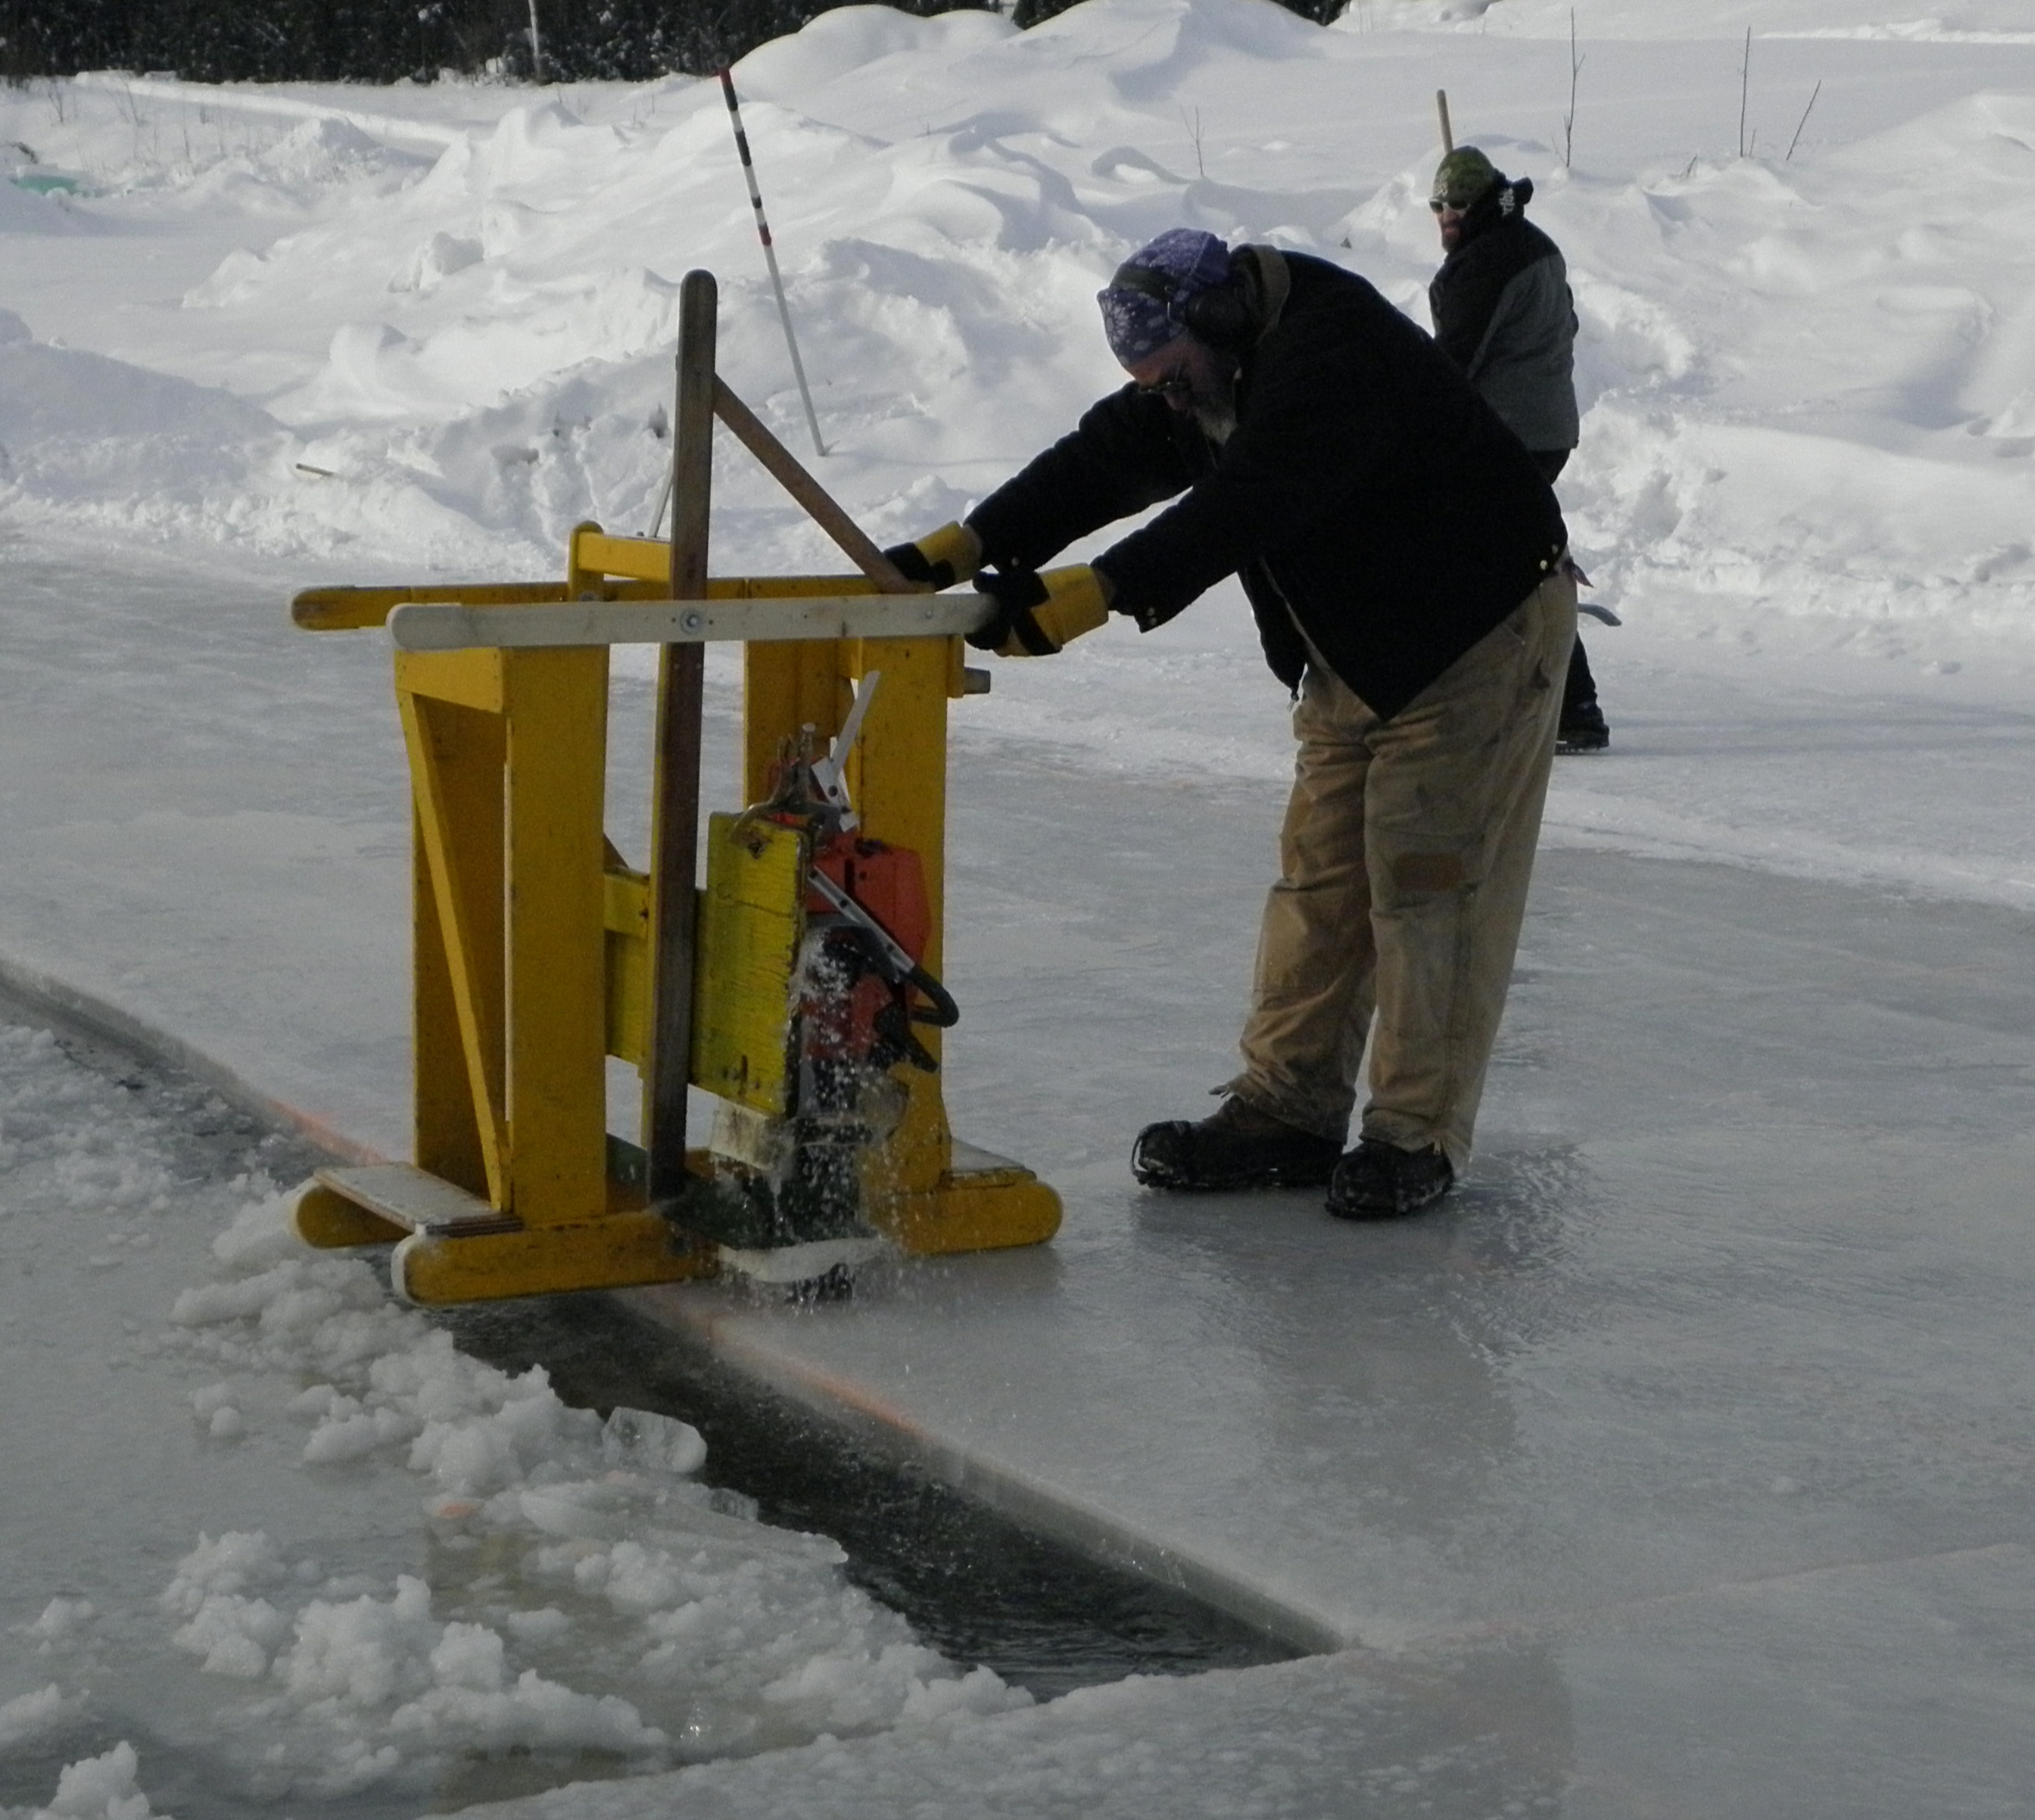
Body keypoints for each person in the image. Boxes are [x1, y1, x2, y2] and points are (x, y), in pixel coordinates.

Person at [886, 228, 1575, 1218]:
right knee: (1320, 882)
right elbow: (1107, 455)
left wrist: (1099, 592)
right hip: (1357, 647)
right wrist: (964, 546)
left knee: (1429, 887)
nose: (1165, 398)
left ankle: (1414, 1132)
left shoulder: (1331, 354)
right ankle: (1285, 1110)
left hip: (1475, 638)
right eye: (1151, 382)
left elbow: (1250, 501)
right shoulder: (1216, 364)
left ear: (1216, 323)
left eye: (1170, 377)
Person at [1428, 146, 1607, 754]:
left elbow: (1454, 360)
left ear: (1479, 204)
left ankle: (1573, 708)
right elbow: (1570, 325)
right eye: (1437, 205)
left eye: (1454, 205)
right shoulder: (1534, 245)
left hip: (1509, 435)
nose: (1444, 215)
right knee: (1506, 557)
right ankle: (1548, 701)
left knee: (1506, 567)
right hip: (1545, 430)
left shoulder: (1486, 262)